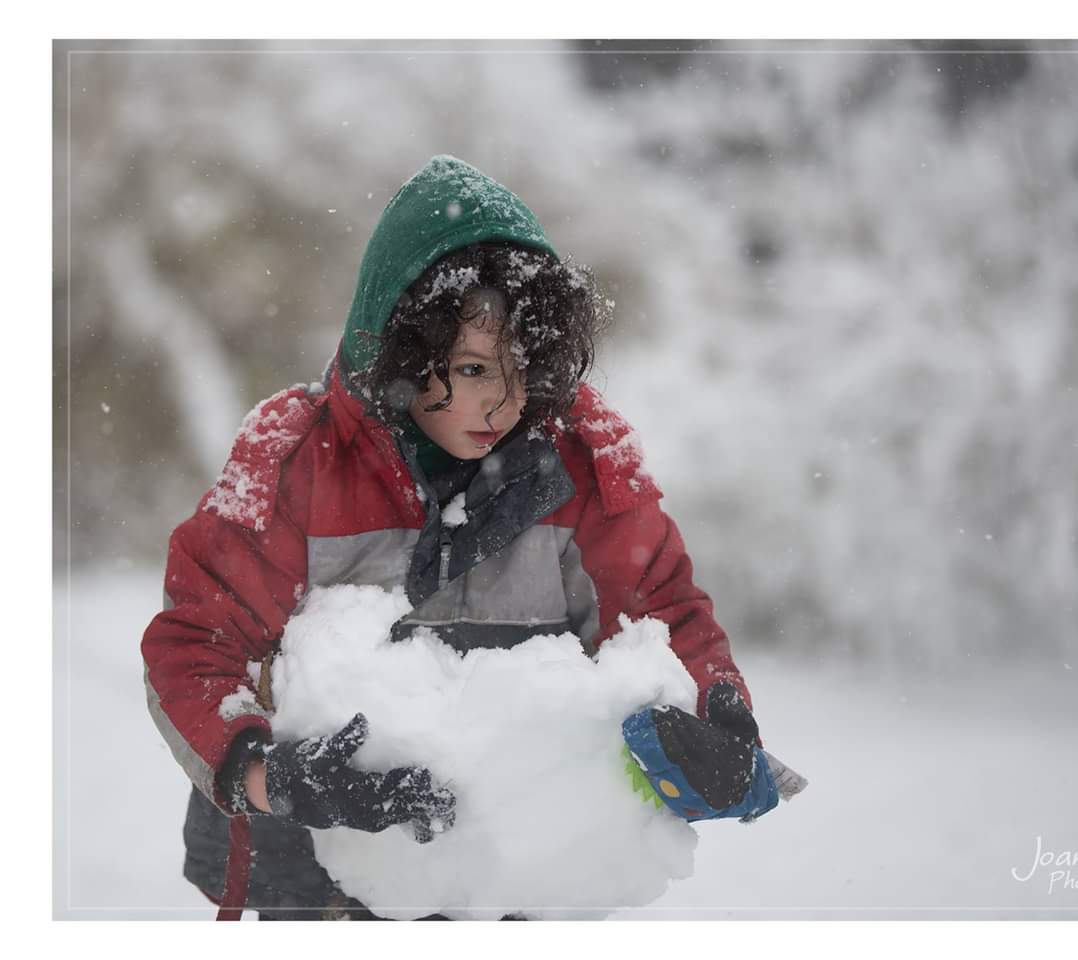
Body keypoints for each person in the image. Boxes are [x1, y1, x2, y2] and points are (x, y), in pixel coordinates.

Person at [141, 155, 772, 921]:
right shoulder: (297, 461)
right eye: (472, 367)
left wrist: (718, 705)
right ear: (402, 349)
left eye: (521, 368)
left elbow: (663, 614)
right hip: (315, 884)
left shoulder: (583, 462)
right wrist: (269, 775)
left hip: (515, 874)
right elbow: (197, 644)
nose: (502, 400)